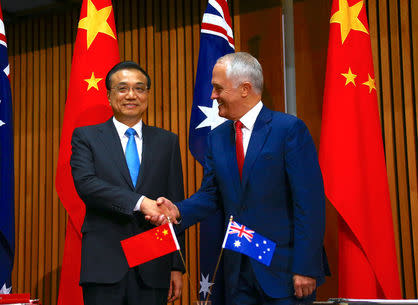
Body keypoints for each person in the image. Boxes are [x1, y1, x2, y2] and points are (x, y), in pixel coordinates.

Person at [147, 52, 328, 305]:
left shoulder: (288, 130)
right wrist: (177, 210)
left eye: (218, 88)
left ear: (245, 89)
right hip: (237, 273)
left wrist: (307, 267)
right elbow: (211, 195)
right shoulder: (218, 137)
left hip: (284, 272)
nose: (212, 96)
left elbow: (309, 204)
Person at [70, 61, 185, 305]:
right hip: (104, 265)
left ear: (148, 95)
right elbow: (87, 185)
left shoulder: (167, 142)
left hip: (154, 265)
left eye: (140, 88)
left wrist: (177, 265)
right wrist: (140, 202)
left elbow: (175, 204)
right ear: (109, 95)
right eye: (122, 88)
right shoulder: (86, 137)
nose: (131, 95)